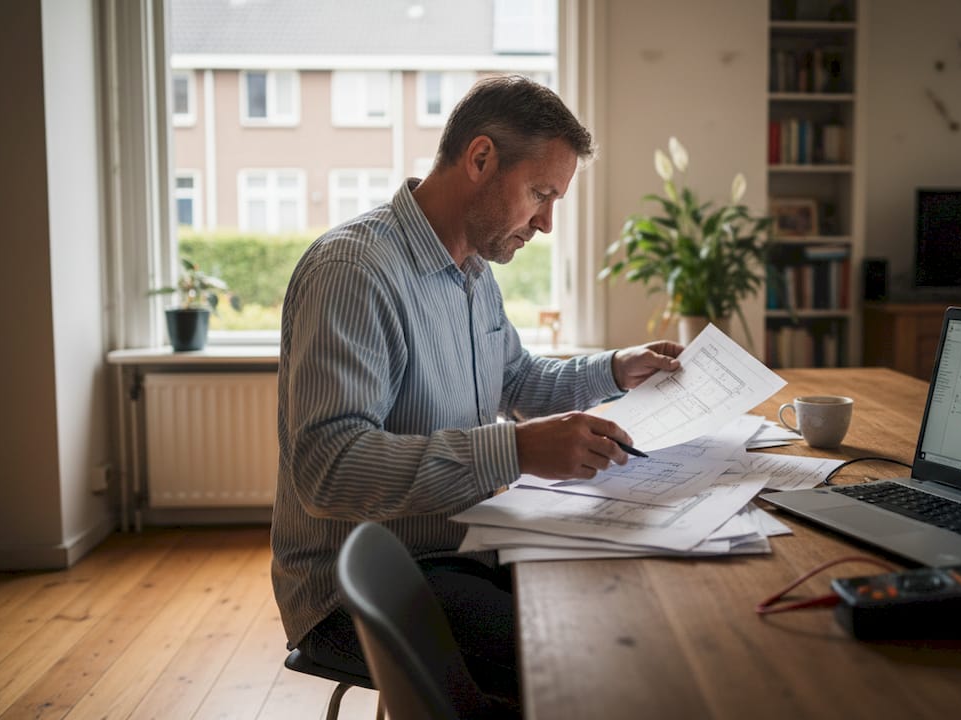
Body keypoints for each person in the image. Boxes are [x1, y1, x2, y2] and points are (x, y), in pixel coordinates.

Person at [270, 74, 682, 708]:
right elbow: (328, 470)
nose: (545, 223)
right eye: (540, 194)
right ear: (481, 158)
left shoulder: (470, 268)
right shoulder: (353, 273)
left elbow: (514, 378)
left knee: (624, 609)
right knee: (586, 655)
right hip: (362, 589)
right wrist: (512, 451)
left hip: (456, 547)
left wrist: (615, 369)